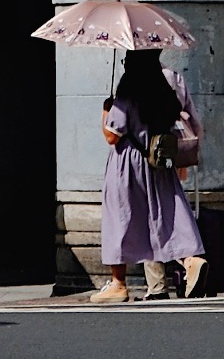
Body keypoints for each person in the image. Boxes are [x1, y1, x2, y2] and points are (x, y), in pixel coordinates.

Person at [88, 46, 206, 303]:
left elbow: (112, 134)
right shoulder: (164, 90)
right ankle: (190, 259)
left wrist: (106, 109)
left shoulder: (129, 90)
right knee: (165, 213)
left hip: (128, 162)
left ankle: (118, 283)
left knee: (121, 217)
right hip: (158, 160)